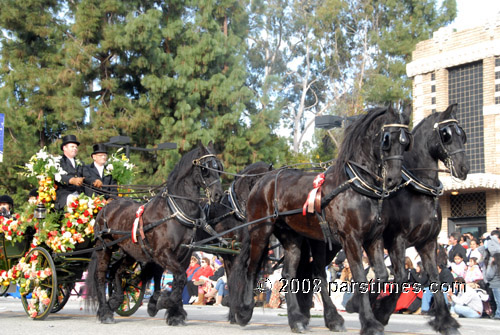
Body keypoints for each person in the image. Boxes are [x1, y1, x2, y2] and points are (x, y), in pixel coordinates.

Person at [55, 134, 84, 210]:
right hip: (65, 193)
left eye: (76, 147)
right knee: (74, 202)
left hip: (80, 193)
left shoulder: (81, 163)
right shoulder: (58, 161)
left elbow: (87, 175)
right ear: (64, 148)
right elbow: (58, 176)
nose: (75, 149)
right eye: (72, 146)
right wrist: (71, 180)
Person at [485, 252, 500, 320]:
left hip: (495, 285)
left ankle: (498, 314)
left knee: (497, 300)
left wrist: (489, 265)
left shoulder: (494, 265)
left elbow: (489, 275)